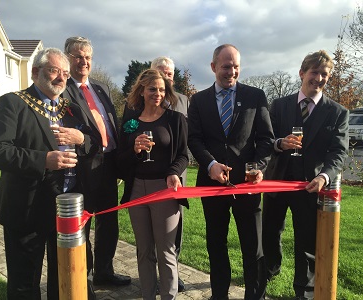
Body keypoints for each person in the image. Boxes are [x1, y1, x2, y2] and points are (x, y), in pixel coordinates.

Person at [0, 48, 86, 299]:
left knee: (62, 276)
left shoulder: (69, 108)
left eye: (64, 72)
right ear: (36, 72)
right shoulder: (13, 102)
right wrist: (43, 160)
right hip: (26, 207)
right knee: (24, 283)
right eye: (54, 71)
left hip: (64, 207)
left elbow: (91, 143)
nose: (61, 78)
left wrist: (82, 138)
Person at [187, 44, 274, 300]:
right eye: (226, 66)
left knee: (253, 247)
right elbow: (194, 139)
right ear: (213, 67)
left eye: (236, 66)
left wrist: (258, 167)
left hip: (246, 186)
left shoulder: (255, 96)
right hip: (212, 185)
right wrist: (211, 164)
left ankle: (254, 295)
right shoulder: (199, 100)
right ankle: (219, 295)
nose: (232, 71)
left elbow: (266, 140)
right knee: (216, 244)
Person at [262, 50, 349, 300]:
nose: (319, 78)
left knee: (306, 241)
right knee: (269, 232)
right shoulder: (279, 105)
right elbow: (266, 140)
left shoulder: (337, 112)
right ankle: (270, 270)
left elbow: (338, 152)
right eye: (315, 72)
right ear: (302, 73)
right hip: (277, 182)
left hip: (310, 186)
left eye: (325, 74)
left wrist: (324, 176)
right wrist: (280, 143)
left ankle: (304, 291)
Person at [61, 36, 131, 286]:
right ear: (68, 58)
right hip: (83, 166)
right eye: (78, 56)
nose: (84, 61)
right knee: (84, 223)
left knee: (109, 221)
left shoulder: (101, 88)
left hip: (109, 164)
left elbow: (111, 124)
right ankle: (85, 279)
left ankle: (104, 271)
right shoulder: (64, 89)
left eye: (88, 57)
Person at [117, 69, 188, 300]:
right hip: (137, 189)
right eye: (152, 89)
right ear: (141, 90)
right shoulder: (130, 123)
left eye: (161, 89)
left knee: (165, 250)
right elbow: (120, 160)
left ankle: (169, 296)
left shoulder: (175, 120)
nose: (157, 94)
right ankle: (148, 295)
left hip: (164, 190)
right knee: (143, 250)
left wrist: (174, 173)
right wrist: (135, 150)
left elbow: (183, 156)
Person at [151, 56, 188, 292]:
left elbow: (188, 138)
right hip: (150, 177)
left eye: (170, 74)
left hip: (177, 177)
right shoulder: (141, 101)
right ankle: (154, 275)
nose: (167, 77)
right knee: (150, 230)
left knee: (175, 229)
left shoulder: (184, 101)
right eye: (162, 73)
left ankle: (173, 272)